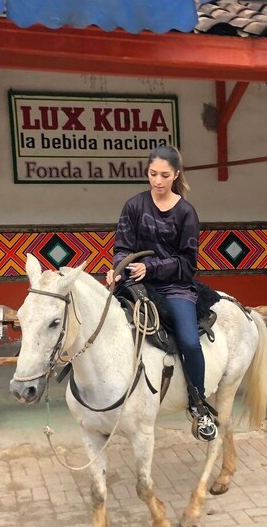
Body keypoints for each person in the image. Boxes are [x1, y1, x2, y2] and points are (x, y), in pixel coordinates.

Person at [105, 145, 217, 442]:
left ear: (176, 175)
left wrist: (150, 269)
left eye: (164, 175)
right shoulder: (134, 206)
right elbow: (122, 248)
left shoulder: (186, 212)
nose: (157, 180)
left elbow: (187, 263)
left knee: (190, 343)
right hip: (135, 283)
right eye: (153, 174)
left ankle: (199, 404)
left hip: (174, 285)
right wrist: (118, 268)